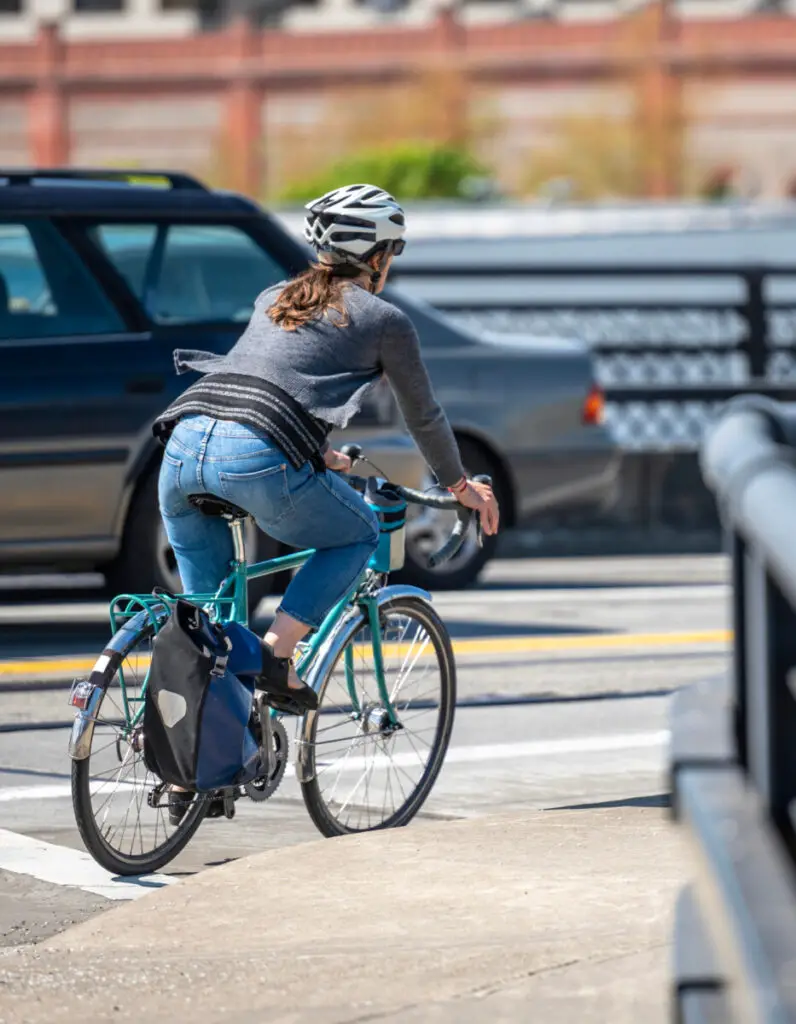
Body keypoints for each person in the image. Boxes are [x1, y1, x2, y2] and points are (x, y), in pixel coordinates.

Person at [153, 183, 499, 715]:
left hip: (181, 444)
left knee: (210, 631)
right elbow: (422, 414)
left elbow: (269, 384)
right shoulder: (386, 321)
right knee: (358, 531)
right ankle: (278, 654)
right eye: (395, 250)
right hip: (255, 456)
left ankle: (190, 780)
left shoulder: (274, 296)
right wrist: (459, 485)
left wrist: (318, 455)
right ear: (378, 256)